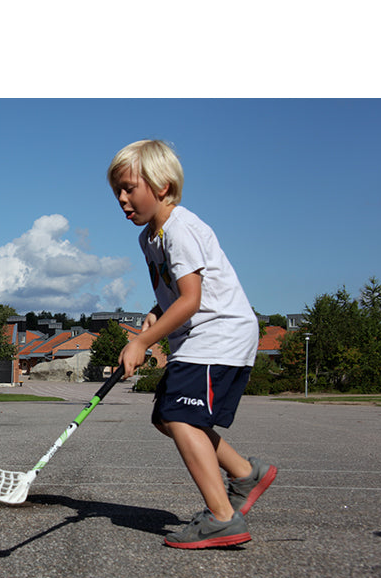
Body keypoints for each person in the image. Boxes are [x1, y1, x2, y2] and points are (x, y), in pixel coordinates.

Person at [107, 140, 276, 549]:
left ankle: (222, 518)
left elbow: (192, 299)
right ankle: (245, 474)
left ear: (162, 186)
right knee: (166, 417)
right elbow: (177, 291)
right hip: (198, 338)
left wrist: (142, 341)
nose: (122, 199)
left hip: (219, 334)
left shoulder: (181, 229)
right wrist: (156, 312)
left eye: (129, 188)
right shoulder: (150, 238)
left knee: (181, 417)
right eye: (117, 191)